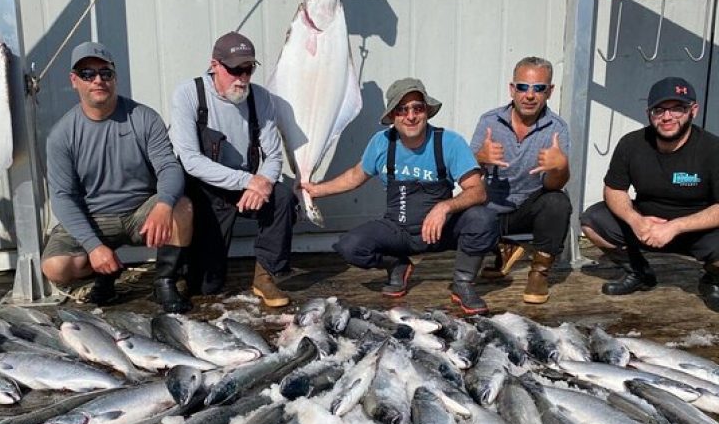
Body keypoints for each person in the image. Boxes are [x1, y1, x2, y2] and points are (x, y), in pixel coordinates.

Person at [302, 78, 498, 315]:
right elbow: (355, 176)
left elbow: (477, 191)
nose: (411, 116)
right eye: (402, 110)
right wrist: (316, 189)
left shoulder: (449, 142)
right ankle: (397, 264)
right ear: (392, 116)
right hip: (399, 231)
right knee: (350, 247)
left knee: (483, 218)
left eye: (417, 108)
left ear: (427, 111)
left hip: (441, 231)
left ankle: (463, 284)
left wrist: (444, 207)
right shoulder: (382, 142)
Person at [41, 41, 193, 313]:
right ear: (74, 80)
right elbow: (62, 198)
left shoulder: (144, 118)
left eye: (105, 73)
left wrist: (164, 204)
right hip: (94, 218)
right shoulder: (61, 135)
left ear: (115, 78)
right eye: (88, 74)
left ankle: (165, 282)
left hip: (139, 214)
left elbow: (169, 167)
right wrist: (93, 246)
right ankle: (104, 273)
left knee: (182, 207)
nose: (98, 80)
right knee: (55, 267)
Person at [169, 31, 297, 308]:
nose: (242, 77)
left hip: (248, 187)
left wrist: (263, 181)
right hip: (207, 190)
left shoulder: (261, 98)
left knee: (284, 198)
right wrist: (249, 180)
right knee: (206, 287)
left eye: (248, 69)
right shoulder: (189, 94)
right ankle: (182, 271)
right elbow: (190, 159)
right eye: (234, 69)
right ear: (215, 65)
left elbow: (273, 153)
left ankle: (266, 276)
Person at [581, 77, 719, 312]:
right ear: (649, 113)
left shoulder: (712, 149)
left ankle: (713, 280)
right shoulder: (632, 144)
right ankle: (638, 272)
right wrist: (636, 220)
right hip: (646, 226)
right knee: (592, 221)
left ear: (693, 110)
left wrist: (675, 226)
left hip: (697, 231)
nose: (667, 117)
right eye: (659, 110)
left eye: (677, 109)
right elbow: (614, 189)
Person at [470, 56, 572, 304]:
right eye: (523, 87)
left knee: (558, 201)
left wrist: (560, 168)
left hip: (528, 209)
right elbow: (467, 174)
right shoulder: (489, 121)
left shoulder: (557, 128)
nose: (529, 95)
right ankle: (502, 251)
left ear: (549, 92)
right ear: (512, 89)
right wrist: (479, 158)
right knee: (460, 211)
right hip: (492, 208)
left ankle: (539, 272)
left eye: (538, 88)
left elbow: (553, 186)